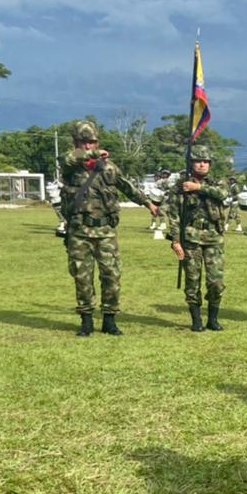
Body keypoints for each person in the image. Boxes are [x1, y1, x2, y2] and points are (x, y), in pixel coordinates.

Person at [60, 120, 158, 337]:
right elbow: (68, 158)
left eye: (92, 142)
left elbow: (127, 186)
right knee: (82, 277)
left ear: (97, 142)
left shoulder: (109, 167)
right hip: (79, 231)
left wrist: (148, 204)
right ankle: (86, 321)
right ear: (76, 143)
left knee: (111, 275)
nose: (87, 146)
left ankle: (109, 319)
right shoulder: (70, 164)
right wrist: (91, 156)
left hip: (105, 232)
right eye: (83, 143)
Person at [165, 145, 228, 332]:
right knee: (192, 280)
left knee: (216, 282)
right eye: (198, 161)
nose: (202, 165)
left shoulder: (218, 182)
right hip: (190, 238)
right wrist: (175, 240)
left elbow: (223, 194)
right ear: (191, 163)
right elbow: (174, 214)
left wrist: (198, 187)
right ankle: (196, 319)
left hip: (214, 238)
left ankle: (213, 319)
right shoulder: (180, 186)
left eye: (205, 161)